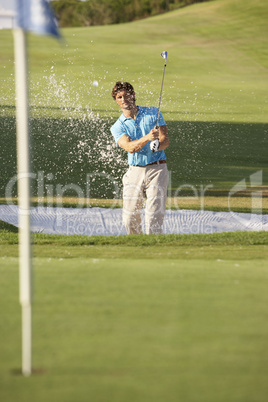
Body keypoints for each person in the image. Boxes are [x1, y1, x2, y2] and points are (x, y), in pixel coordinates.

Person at [110, 81, 169, 235]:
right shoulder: (117, 126)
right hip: (134, 172)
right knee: (129, 218)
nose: (124, 99)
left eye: (126, 95)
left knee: (154, 216)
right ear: (116, 101)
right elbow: (129, 147)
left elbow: (165, 140)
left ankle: (153, 251)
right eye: (119, 97)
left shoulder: (153, 113)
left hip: (157, 169)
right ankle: (136, 247)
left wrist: (158, 145)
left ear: (133, 95)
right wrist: (148, 138)